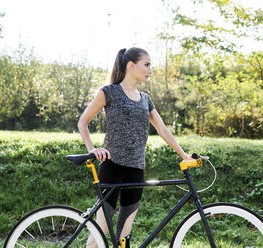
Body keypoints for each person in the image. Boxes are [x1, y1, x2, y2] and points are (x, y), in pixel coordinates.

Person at [78, 47, 191, 247]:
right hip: (112, 166)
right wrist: (92, 149)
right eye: (146, 65)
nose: (150, 70)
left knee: (124, 236)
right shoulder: (109, 92)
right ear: (131, 65)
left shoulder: (145, 100)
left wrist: (183, 155)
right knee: (100, 233)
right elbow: (83, 122)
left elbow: (163, 129)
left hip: (136, 169)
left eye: (150, 66)